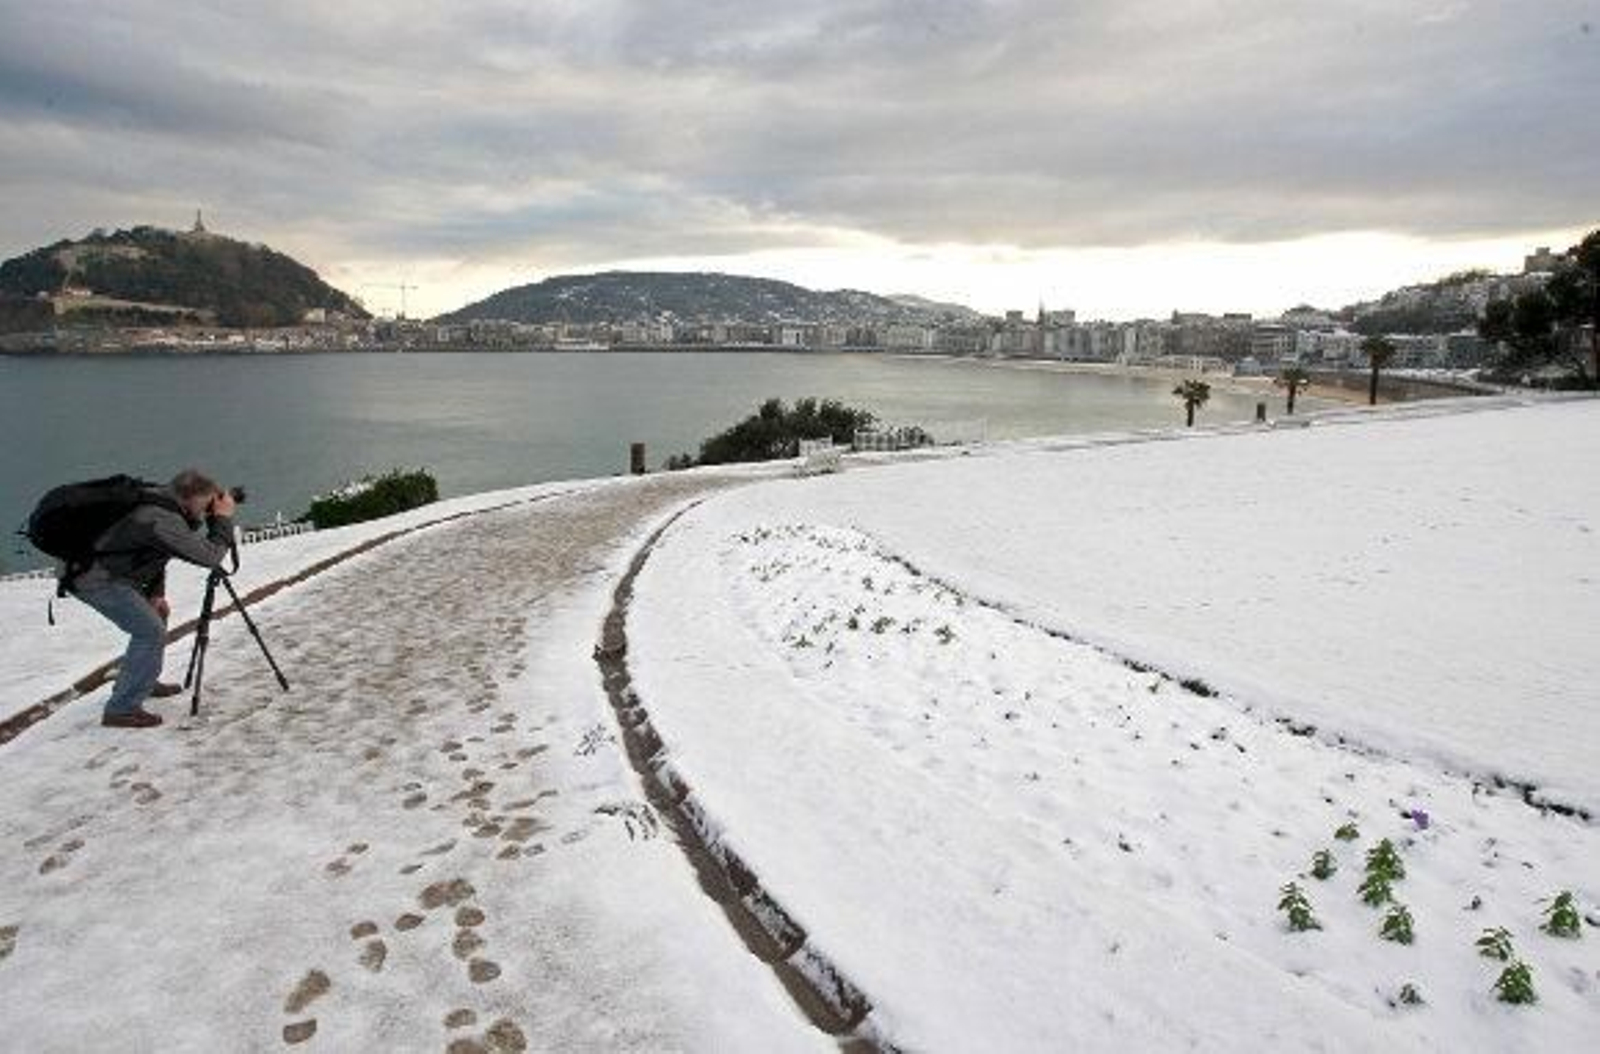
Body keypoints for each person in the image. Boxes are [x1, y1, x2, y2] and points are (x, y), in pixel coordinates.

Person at [71, 469, 237, 728]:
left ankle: (141, 681)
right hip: (93, 578)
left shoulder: (163, 499)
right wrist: (224, 519)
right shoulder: (161, 518)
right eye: (205, 504)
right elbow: (210, 556)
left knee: (156, 615)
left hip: (108, 570)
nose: (207, 512)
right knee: (150, 631)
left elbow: (155, 552)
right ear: (190, 498)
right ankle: (121, 709)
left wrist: (155, 594)